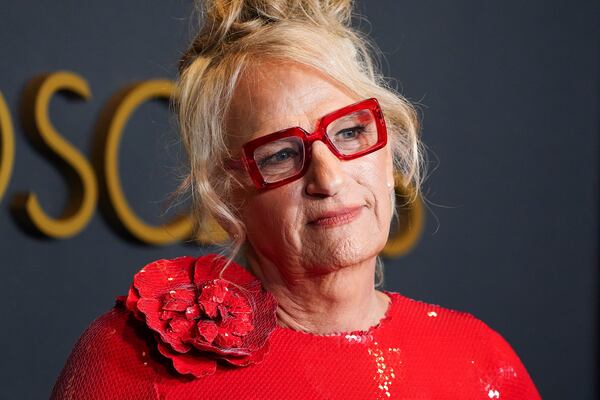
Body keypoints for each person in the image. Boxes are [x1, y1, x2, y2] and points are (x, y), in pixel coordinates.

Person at [51, 1, 542, 399]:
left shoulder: (477, 355)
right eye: (282, 154)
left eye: (351, 131)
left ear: (389, 142)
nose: (327, 178)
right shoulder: (131, 363)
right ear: (226, 191)